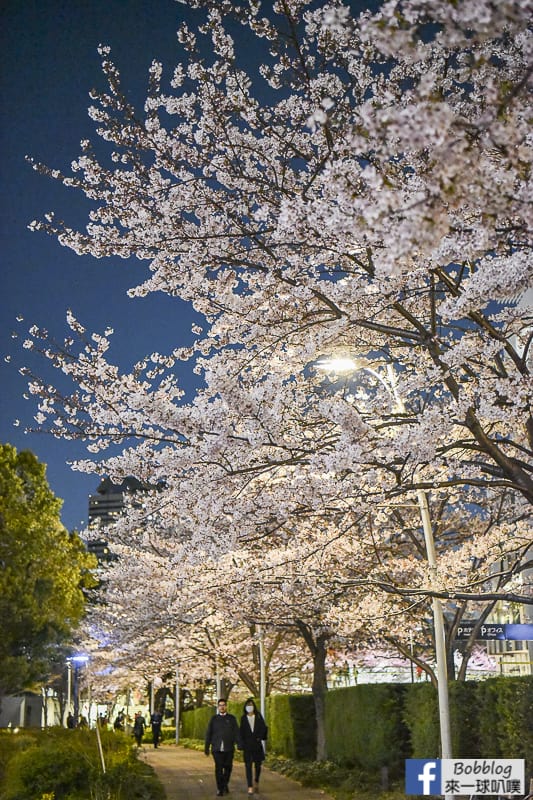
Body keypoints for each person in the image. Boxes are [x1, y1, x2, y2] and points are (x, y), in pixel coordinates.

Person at [205, 698, 242, 796]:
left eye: (223, 705)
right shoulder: (214, 719)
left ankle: (225, 783)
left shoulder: (231, 718)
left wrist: (239, 744)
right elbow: (209, 733)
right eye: (220, 705)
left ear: (226, 706)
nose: (222, 707)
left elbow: (236, 732)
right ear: (218, 707)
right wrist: (206, 747)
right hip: (216, 748)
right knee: (219, 768)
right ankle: (220, 788)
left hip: (228, 748)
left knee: (228, 768)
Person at [239, 698, 268, 795]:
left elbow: (264, 728)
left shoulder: (258, 717)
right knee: (248, 766)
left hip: (257, 744)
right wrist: (241, 744)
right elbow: (241, 732)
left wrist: (260, 737)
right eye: (247, 705)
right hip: (247, 745)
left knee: (258, 765)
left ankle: (256, 780)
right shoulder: (243, 718)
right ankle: (250, 786)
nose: (249, 707)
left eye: (251, 705)